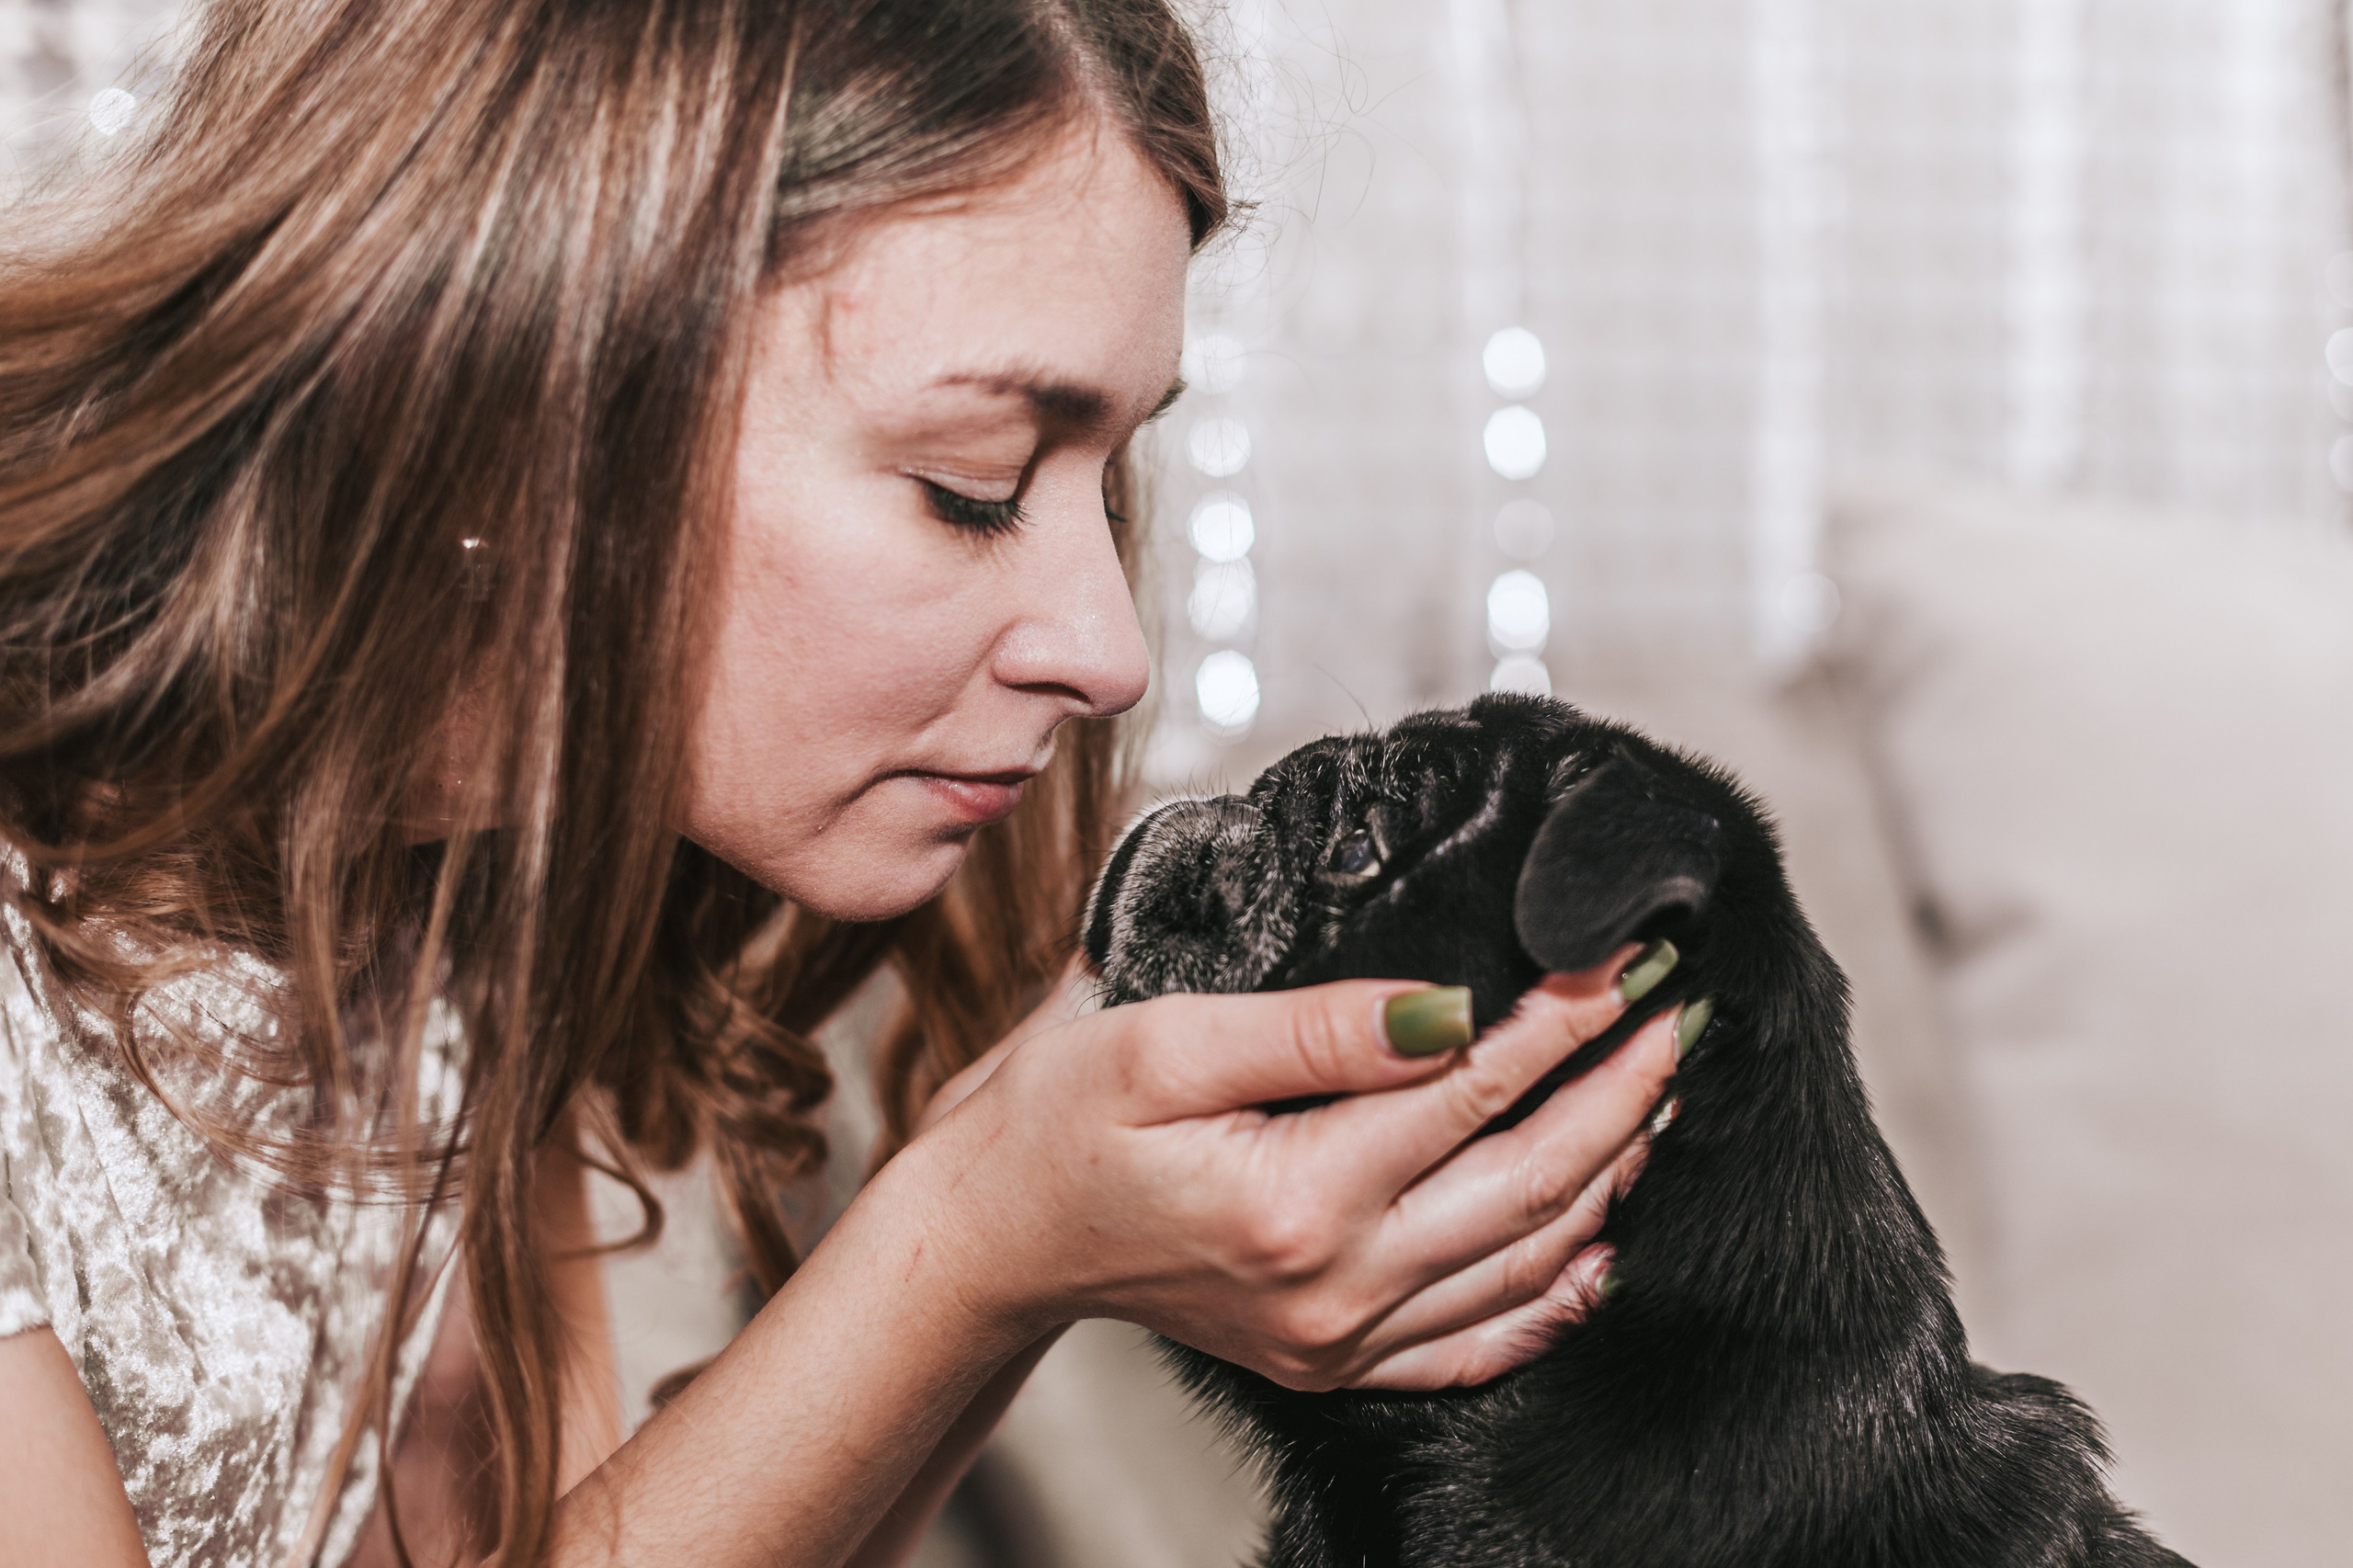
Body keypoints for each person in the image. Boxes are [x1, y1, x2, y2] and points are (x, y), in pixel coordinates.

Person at [0, 0, 1689, 1563]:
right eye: (973, 482)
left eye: (1107, 481)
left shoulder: (462, 890)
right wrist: (966, 1243)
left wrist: (1036, 1237)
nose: (1112, 652)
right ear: (529, 398)